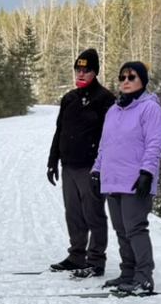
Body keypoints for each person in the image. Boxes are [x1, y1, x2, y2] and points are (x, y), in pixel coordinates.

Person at [91, 62, 161, 296]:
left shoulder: (150, 109)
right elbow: (105, 145)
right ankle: (128, 273)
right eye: (122, 77)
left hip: (135, 180)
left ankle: (143, 277)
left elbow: (154, 144)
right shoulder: (113, 111)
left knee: (135, 229)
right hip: (112, 179)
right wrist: (97, 170)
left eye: (131, 77)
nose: (125, 81)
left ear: (142, 80)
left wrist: (147, 173)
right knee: (121, 230)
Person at [46, 49, 114, 275]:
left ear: (95, 72)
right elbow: (60, 131)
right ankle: (76, 256)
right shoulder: (69, 98)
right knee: (73, 213)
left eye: (86, 70)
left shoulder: (105, 99)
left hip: (92, 167)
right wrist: (53, 160)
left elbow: (111, 137)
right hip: (69, 165)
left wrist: (102, 167)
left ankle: (96, 260)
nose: (81, 74)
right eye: (78, 69)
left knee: (93, 213)